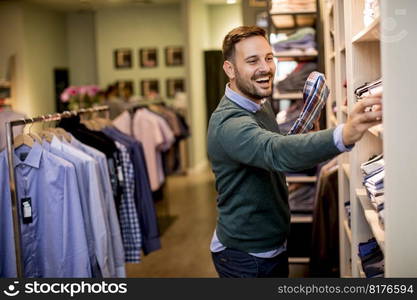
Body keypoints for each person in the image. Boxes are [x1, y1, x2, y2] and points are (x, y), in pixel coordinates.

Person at [207, 26, 382, 278]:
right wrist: (345, 133)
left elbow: (277, 147)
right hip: (245, 257)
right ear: (230, 69)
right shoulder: (229, 123)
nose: (265, 68)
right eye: (252, 60)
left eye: (268, 58)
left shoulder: (258, 104)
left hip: (270, 245)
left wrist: (306, 130)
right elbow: (275, 151)